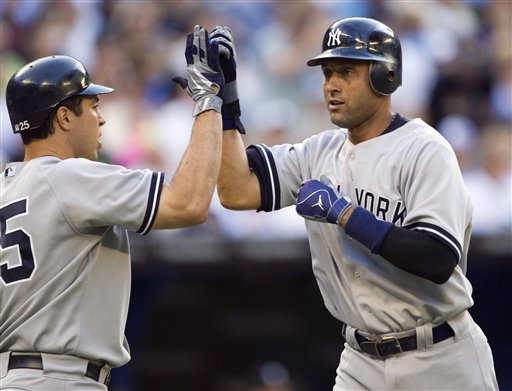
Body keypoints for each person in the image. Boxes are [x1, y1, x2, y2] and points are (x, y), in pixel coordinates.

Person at [214, 18, 499, 390]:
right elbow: (235, 192)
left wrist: (347, 215)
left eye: (346, 71)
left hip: (439, 355)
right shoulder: (318, 151)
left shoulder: (424, 149)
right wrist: (223, 106)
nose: (331, 84)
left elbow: (438, 257)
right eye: (328, 72)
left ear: (386, 76)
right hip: (359, 361)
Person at [0, 25, 224, 390]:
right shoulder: (70, 178)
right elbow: (189, 204)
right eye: (92, 106)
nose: (102, 119)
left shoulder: (6, 186)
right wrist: (208, 100)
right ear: (64, 118)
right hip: (60, 379)